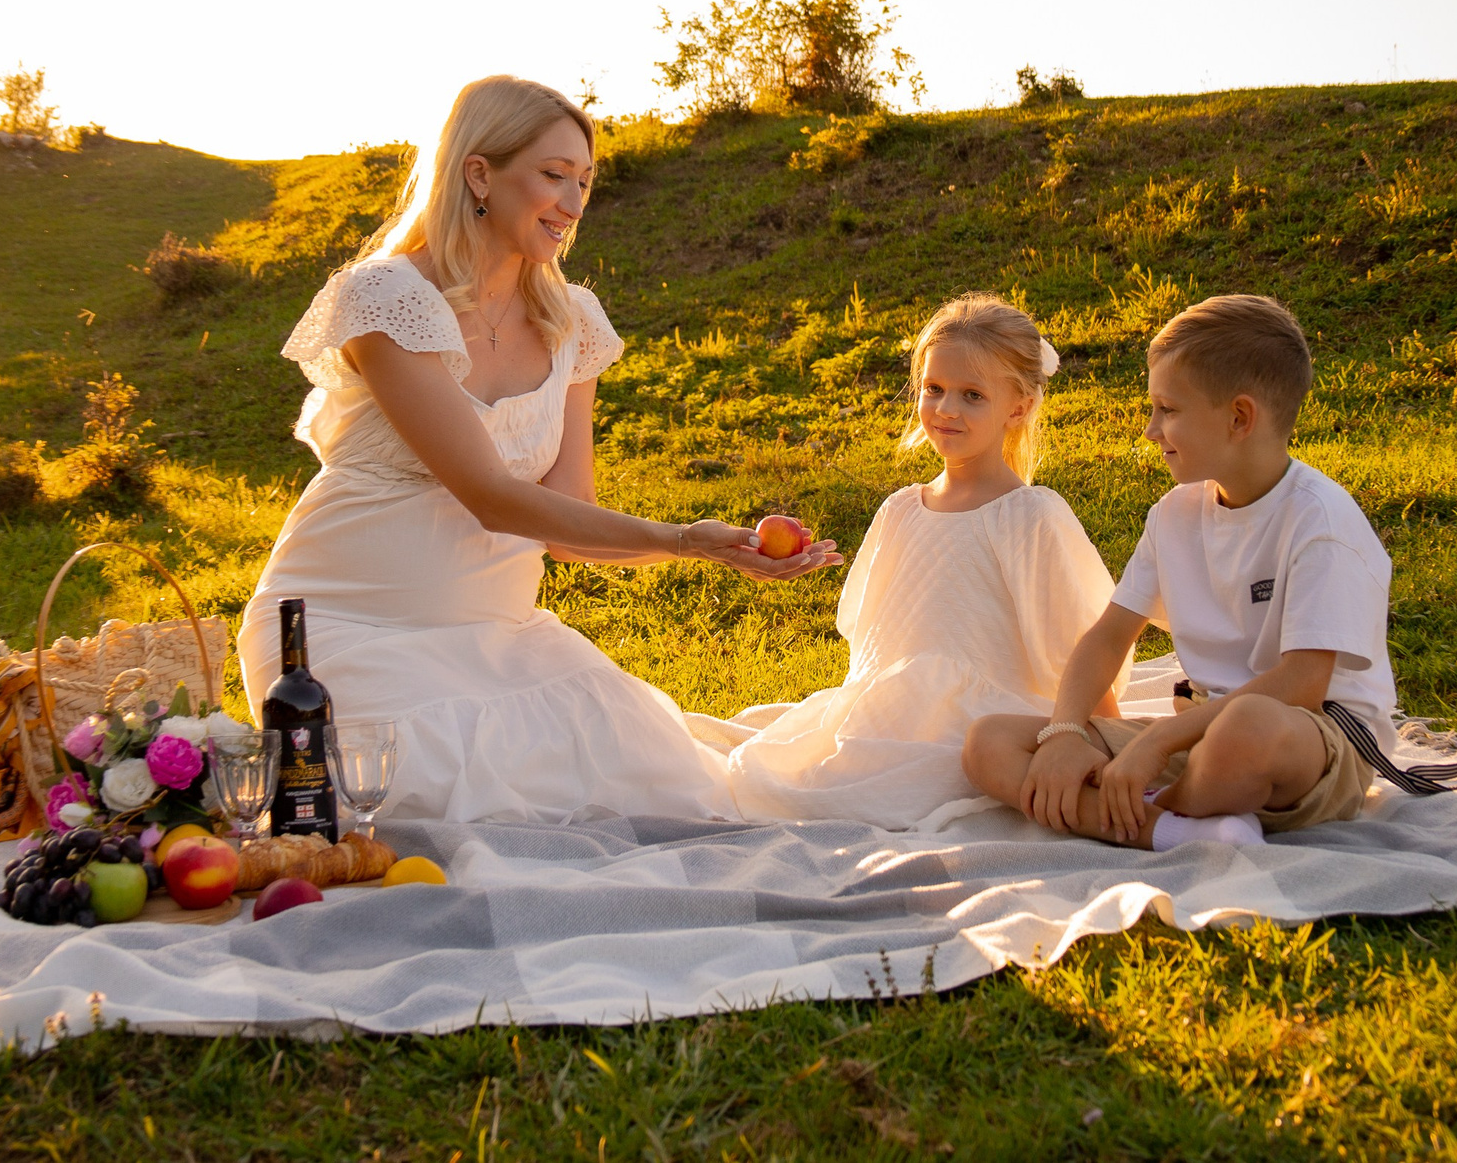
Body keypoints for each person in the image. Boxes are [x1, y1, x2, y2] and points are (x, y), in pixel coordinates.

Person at [240, 76, 839, 823]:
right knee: (426, 804)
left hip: (499, 638)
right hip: (348, 629)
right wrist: (686, 540)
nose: (574, 203)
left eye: (584, 181)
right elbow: (491, 496)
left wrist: (716, 548)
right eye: (554, 176)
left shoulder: (572, 322)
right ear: (479, 172)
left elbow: (564, 522)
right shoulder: (387, 298)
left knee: (670, 792)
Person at [961, 294, 1393, 850]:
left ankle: (1136, 808)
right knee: (989, 742)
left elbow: (1302, 684)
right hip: (1200, 732)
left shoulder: (1320, 520)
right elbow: (1108, 636)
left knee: (1243, 731)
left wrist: (1157, 742)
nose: (1150, 429)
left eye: (1168, 409)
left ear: (1239, 418)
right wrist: (1066, 731)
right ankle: (1173, 828)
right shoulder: (1175, 514)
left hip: (1309, 738)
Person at [705, 294, 1124, 830]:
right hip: (898, 716)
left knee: (935, 775)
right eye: (934, 390)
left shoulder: (1028, 515)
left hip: (988, 717)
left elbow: (1074, 638)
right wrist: (869, 713)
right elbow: (874, 641)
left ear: (1016, 408)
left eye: (973, 396)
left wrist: (1113, 738)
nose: (947, 410)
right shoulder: (902, 508)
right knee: (800, 780)